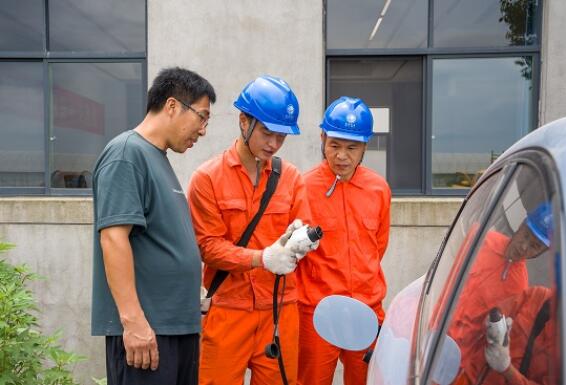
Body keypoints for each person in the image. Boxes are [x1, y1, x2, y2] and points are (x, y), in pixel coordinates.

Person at [187, 75, 316, 385]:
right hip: (228, 309)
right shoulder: (207, 178)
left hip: (280, 309)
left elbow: (306, 228)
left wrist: (301, 243)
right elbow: (208, 247)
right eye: (267, 133)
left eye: (282, 137)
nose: (273, 144)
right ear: (244, 121)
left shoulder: (291, 178)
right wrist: (262, 258)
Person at [91, 67, 216, 385]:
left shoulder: (157, 158)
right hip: (148, 333)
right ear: (172, 106)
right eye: (202, 117)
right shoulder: (126, 154)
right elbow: (114, 239)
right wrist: (133, 322)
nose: (202, 130)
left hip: (175, 329)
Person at [296, 96, 392, 385]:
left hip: (366, 309)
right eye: (334, 145)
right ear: (323, 137)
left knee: (370, 380)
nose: (341, 156)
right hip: (316, 311)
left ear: (365, 146)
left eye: (351, 147)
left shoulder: (378, 189)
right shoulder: (303, 187)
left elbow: (379, 246)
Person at [450, 202, 556, 385]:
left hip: (464, 364)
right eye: (526, 236)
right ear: (521, 224)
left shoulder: (521, 286)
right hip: (436, 339)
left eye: (535, 246)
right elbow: (448, 280)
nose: (524, 247)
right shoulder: (480, 239)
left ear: (543, 252)